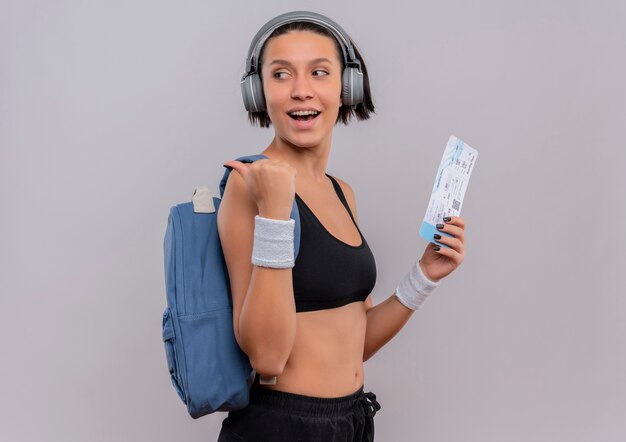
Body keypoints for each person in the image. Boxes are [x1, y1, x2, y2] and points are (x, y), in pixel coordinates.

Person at [217, 11, 466, 442]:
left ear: (346, 88)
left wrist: (424, 277)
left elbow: (358, 339)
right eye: (280, 74)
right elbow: (268, 357)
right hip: (280, 427)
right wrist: (275, 213)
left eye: (319, 72)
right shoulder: (249, 186)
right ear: (258, 93)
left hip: (350, 420)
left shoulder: (341, 192)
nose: (300, 90)